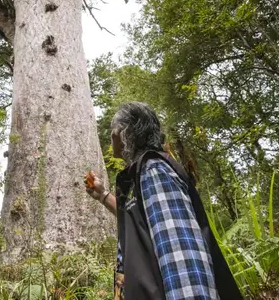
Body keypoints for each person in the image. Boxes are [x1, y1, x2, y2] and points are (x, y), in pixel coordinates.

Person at [85, 102, 242, 300]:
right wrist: (102, 195)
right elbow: (139, 220)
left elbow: (181, 253)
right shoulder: (141, 174)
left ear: (124, 132)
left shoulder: (153, 170)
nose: (110, 136)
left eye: (112, 131)